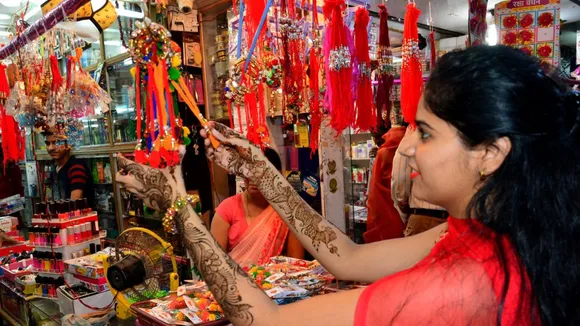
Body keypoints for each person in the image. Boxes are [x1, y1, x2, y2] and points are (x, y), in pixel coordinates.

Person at [117, 46, 580, 325]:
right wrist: (263, 172)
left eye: (426, 132)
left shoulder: (466, 282)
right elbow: (348, 256)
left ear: (490, 153)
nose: (409, 148)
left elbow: (267, 319)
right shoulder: (486, 233)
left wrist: (178, 206)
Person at [211, 148, 304, 267]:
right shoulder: (227, 208)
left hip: (274, 282)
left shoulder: (288, 211)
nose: (253, 178)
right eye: (248, 171)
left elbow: (295, 265)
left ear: (277, 175)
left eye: (260, 173)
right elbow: (216, 265)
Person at [391, 127, 448, 236]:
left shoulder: (414, 130)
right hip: (454, 220)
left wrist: (404, 210)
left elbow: (400, 178)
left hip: (423, 218)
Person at [363, 108, 407, 243]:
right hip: (409, 219)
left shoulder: (384, 153)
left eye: (375, 136)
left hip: (387, 219)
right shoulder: (410, 144)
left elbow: (374, 196)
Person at [44, 131, 94, 206]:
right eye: (48, 144)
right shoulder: (53, 167)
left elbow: (75, 204)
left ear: (68, 145)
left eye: (56, 143)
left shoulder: (76, 168)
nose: (50, 148)